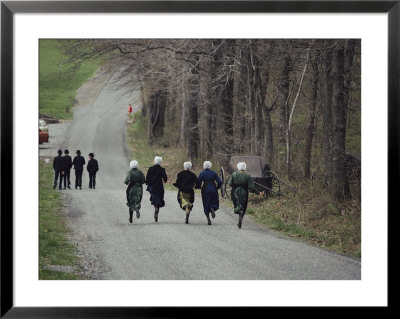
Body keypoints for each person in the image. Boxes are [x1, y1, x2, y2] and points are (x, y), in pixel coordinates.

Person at [227, 162, 263, 229]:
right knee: (243, 207)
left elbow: (229, 183)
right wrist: (258, 192)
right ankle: (240, 220)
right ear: (245, 168)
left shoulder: (234, 174)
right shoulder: (248, 175)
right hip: (244, 193)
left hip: (235, 192)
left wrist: (235, 185)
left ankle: (238, 212)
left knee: (237, 205)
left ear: (238, 167)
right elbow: (251, 187)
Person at [195, 161, 222, 225]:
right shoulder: (214, 173)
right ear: (210, 166)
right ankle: (213, 207)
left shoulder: (202, 173)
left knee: (206, 203)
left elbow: (198, 181)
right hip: (213, 188)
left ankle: (208, 220)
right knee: (215, 200)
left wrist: (198, 187)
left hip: (205, 189)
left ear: (204, 166)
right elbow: (219, 181)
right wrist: (217, 187)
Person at [145, 156, 168, 222]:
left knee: (154, 197)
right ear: (160, 162)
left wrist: (147, 183)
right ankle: (157, 208)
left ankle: (155, 207)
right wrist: (165, 180)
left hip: (152, 186)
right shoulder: (162, 169)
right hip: (159, 186)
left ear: (155, 161)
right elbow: (165, 177)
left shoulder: (150, 168)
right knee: (159, 198)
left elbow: (147, 178)